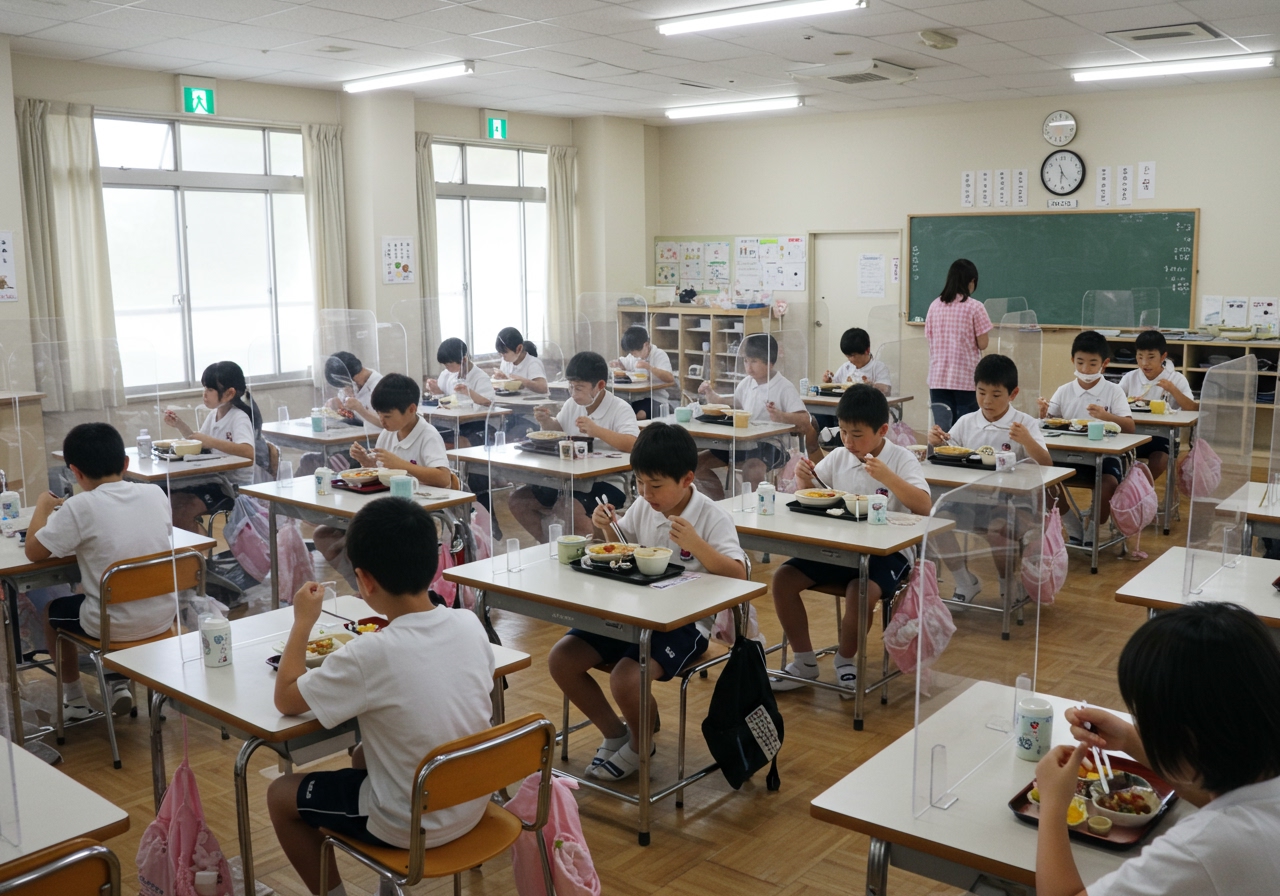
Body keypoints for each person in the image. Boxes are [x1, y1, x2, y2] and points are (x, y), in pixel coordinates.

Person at [268, 498, 495, 896]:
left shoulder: (370, 653)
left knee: (280, 795)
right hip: (472, 801)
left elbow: (286, 698)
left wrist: (303, 621)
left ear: (364, 580)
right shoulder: (468, 624)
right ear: (434, 562)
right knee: (362, 756)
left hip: (413, 822)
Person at [1034, 602, 1280, 896]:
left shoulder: (1205, 848)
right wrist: (1127, 739)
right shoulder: (1256, 783)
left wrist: (1052, 805)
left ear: (1186, 736)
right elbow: (1236, 804)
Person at [550, 423, 747, 780]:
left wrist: (697, 543)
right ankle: (617, 733)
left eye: (655, 485)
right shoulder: (644, 506)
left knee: (627, 678)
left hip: (687, 623)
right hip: (634, 611)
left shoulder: (712, 517)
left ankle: (643, 746)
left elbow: (739, 576)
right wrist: (606, 526)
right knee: (561, 659)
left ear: (687, 479)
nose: (645, 493)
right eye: (640, 483)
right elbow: (624, 546)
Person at [770, 386, 932, 693]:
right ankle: (804, 660)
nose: (848, 441)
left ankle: (846, 660)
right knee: (783, 579)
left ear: (882, 430)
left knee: (861, 590)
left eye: (857, 434)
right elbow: (814, 493)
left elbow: (924, 506)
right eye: (843, 432)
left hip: (888, 553)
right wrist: (805, 477)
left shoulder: (901, 459)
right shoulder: (841, 456)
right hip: (840, 546)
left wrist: (887, 478)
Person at [25, 423, 178, 719]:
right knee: (110, 598)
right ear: (125, 463)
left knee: (54, 612)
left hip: (112, 626)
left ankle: (75, 700)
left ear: (75, 472)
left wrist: (42, 508)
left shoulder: (79, 507)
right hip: (162, 618)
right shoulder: (155, 494)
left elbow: (33, 551)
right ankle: (117, 682)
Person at [929, 354, 1052, 602]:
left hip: (1011, 501)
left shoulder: (1024, 423)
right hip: (969, 499)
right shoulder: (966, 422)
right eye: (980, 392)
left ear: (1013, 394)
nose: (986, 401)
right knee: (935, 524)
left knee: (999, 531)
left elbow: (1047, 466)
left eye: (996, 395)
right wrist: (935, 442)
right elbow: (948, 454)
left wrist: (1027, 440)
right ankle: (965, 582)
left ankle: (1008, 584)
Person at [313, 374, 453, 588]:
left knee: (368, 540)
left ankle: (383, 588)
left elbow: (444, 478)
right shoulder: (388, 434)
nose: (382, 421)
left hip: (417, 514)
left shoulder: (428, 435)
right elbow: (382, 473)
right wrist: (366, 462)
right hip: (390, 508)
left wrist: (401, 465)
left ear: (412, 409)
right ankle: (368, 587)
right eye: (379, 414)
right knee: (324, 534)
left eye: (387, 415)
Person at [510, 351, 639, 539]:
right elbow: (559, 429)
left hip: (607, 482)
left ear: (600, 386)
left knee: (567, 508)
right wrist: (546, 421)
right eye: (570, 387)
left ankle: (597, 550)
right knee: (518, 501)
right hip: (569, 481)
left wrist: (596, 431)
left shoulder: (620, 408)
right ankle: (553, 548)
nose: (573, 393)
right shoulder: (572, 404)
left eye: (579, 388)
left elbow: (633, 444)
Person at [1038, 331, 1135, 544]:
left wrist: (1106, 416)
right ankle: (1071, 523)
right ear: (1073, 360)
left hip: (1103, 457)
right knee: (1042, 480)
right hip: (1067, 456)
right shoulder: (1064, 391)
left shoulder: (1113, 391)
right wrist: (1044, 413)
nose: (1085, 369)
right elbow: (1049, 423)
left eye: (1092, 364)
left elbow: (1130, 427)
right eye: (1080, 362)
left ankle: (1093, 527)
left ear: (1104, 364)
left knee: (1108, 483)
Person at [696, 334, 812, 500]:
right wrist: (710, 393)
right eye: (746, 361)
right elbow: (729, 403)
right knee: (696, 464)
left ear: (770, 362)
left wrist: (780, 415)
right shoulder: (747, 383)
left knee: (752, 469)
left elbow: (805, 419)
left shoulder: (784, 387)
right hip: (743, 443)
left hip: (772, 445)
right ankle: (718, 505)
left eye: (754, 361)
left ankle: (758, 514)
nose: (748, 367)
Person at [163, 360, 263, 533]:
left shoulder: (239, 418)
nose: (205, 394)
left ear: (229, 393)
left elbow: (248, 452)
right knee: (169, 502)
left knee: (181, 512)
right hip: (214, 481)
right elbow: (199, 442)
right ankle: (195, 554)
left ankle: (200, 556)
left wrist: (210, 441)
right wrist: (179, 424)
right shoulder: (213, 415)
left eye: (210, 389)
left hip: (232, 489)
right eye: (204, 389)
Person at [1118, 330, 1198, 483]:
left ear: (1163, 357)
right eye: (1139, 357)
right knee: (1112, 456)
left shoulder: (1176, 378)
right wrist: (1126, 401)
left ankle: (1138, 489)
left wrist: (1172, 389)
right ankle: (1124, 492)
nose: (1144, 363)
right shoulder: (1130, 377)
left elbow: (1192, 409)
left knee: (1161, 458)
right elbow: (1114, 403)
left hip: (1161, 437)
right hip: (1132, 434)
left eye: (1150, 357)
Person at [924, 258, 992, 425]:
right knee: (966, 431)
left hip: (938, 379)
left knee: (943, 431)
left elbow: (929, 338)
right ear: (971, 281)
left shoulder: (934, 306)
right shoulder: (975, 307)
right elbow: (983, 344)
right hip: (966, 380)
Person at [814, 327, 893, 446]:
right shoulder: (846, 367)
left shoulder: (878, 367)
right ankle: (829, 442)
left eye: (853, 356)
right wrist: (829, 381)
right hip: (842, 409)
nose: (850, 360)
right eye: (847, 356)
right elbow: (837, 385)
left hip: (863, 412)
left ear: (867, 350)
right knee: (818, 416)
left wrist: (871, 385)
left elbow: (887, 389)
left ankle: (838, 438)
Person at [426, 337, 495, 447]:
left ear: (464, 360)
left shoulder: (480, 377)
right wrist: (435, 390)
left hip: (474, 425)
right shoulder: (446, 374)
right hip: (451, 423)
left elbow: (488, 403)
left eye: (449, 364)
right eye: (445, 365)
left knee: (455, 441)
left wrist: (468, 392)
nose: (447, 368)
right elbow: (444, 399)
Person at [610, 325, 676, 420]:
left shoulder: (659, 354)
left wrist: (648, 367)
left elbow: (670, 378)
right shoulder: (633, 356)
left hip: (655, 398)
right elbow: (625, 364)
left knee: (640, 415)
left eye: (635, 352)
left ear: (646, 345)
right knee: (620, 412)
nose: (633, 355)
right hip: (636, 398)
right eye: (631, 352)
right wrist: (619, 364)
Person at [324, 351, 383, 435]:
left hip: (377, 439)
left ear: (353, 378)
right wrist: (335, 406)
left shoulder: (380, 386)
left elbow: (388, 423)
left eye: (345, 384)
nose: (344, 388)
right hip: (357, 434)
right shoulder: (351, 384)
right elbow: (348, 413)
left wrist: (360, 409)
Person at [496, 326, 548, 394]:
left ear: (519, 349)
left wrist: (523, 381)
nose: (502, 357)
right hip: (514, 401)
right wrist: (502, 379)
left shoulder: (533, 363)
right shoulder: (506, 362)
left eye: (505, 353)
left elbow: (543, 388)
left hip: (533, 402)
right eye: (500, 353)